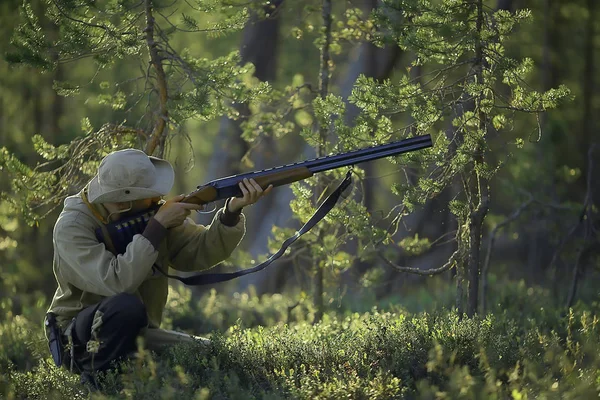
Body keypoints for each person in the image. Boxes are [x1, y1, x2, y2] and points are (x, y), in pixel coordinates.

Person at [44, 148, 272, 386]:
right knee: (125, 307)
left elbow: (200, 251)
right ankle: (99, 379)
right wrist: (157, 225)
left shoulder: (148, 214)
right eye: (150, 197)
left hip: (139, 333)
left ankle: (132, 369)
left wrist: (231, 212)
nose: (158, 200)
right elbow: (116, 282)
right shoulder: (72, 227)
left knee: (214, 356)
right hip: (79, 340)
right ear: (124, 203)